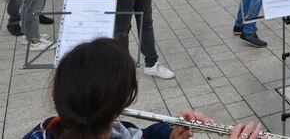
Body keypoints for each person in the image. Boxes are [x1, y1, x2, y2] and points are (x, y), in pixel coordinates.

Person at [22, 38, 265, 139]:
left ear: (56, 94)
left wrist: (170, 134)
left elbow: (142, 136)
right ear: (126, 100)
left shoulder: (45, 131)